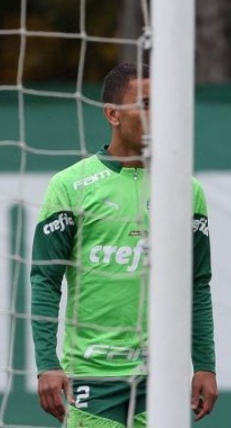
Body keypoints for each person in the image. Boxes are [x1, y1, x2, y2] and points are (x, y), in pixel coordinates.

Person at [30, 63, 218, 427]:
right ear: (112, 114)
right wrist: (47, 364)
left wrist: (206, 365)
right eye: (145, 104)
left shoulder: (186, 190)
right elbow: (45, 281)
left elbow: (197, 284)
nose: (157, 115)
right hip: (91, 376)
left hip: (161, 377)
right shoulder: (71, 186)